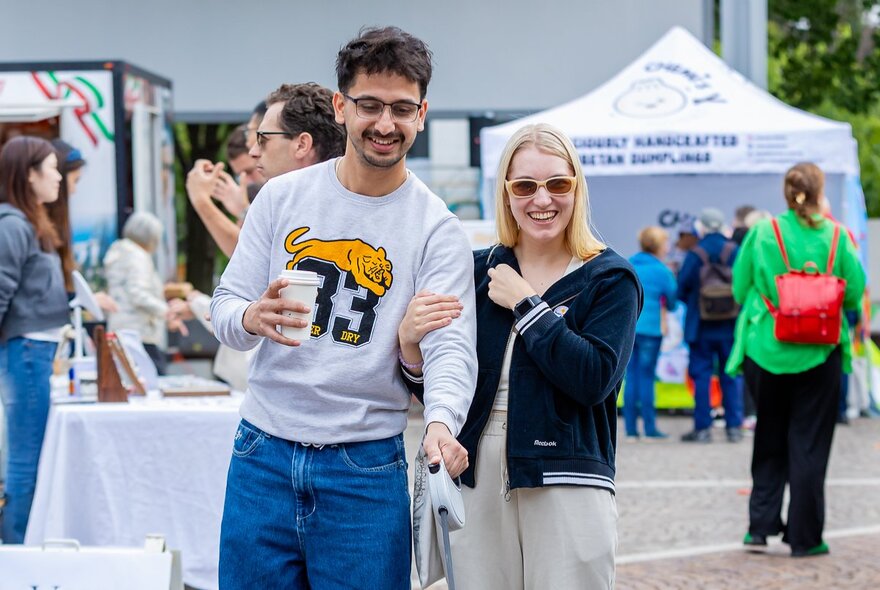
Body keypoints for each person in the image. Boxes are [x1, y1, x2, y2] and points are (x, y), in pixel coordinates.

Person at [210, 27, 477, 588]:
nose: (385, 124)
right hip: (262, 454)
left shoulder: (436, 228)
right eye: (370, 105)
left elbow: (450, 343)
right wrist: (249, 318)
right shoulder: (281, 199)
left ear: (422, 114)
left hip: (365, 469)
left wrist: (441, 420)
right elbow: (226, 308)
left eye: (402, 108)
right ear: (341, 106)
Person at [399, 123, 641, 589]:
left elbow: (594, 378)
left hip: (567, 470)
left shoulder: (609, 278)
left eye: (557, 184)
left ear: (577, 188)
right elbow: (449, 386)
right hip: (473, 465)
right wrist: (411, 348)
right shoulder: (476, 270)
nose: (542, 199)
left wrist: (528, 306)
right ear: (507, 193)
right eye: (525, 185)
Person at [729, 162, 864, 557]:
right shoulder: (839, 237)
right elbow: (854, 294)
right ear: (819, 191)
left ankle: (760, 526)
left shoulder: (762, 232)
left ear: (787, 193)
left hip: (765, 348)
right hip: (820, 352)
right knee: (810, 446)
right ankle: (806, 537)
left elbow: (740, 289)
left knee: (768, 435)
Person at [178, 83, 345, 391]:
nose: (253, 152)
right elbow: (233, 294)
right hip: (271, 408)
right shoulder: (274, 202)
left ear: (302, 144)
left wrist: (203, 203)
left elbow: (239, 254)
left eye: (262, 139)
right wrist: (246, 316)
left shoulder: (337, 204)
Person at [0, 136, 69, 543]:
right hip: (25, 350)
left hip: (33, 350)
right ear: (29, 175)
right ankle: (15, 555)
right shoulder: (12, 224)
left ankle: (20, 550)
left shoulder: (26, 222)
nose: (58, 177)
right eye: (51, 168)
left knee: (28, 454)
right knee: (26, 458)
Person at [678, 207, 743, 443]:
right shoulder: (734, 250)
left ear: (702, 227)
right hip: (730, 326)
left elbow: (681, 288)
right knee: (731, 375)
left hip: (701, 326)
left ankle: (703, 428)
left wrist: (698, 304)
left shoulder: (696, 253)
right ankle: (734, 427)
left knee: (702, 376)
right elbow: (744, 283)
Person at [624, 226, 677, 440]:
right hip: (652, 330)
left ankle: (630, 429)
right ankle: (650, 427)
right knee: (647, 377)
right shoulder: (663, 271)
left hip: (628, 328)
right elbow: (672, 302)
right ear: (658, 246)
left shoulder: (628, 264)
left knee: (630, 377)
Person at [103, 211, 172, 374]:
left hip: (119, 328)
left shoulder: (118, 252)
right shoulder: (138, 257)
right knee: (153, 379)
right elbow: (138, 293)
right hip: (140, 333)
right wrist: (166, 311)